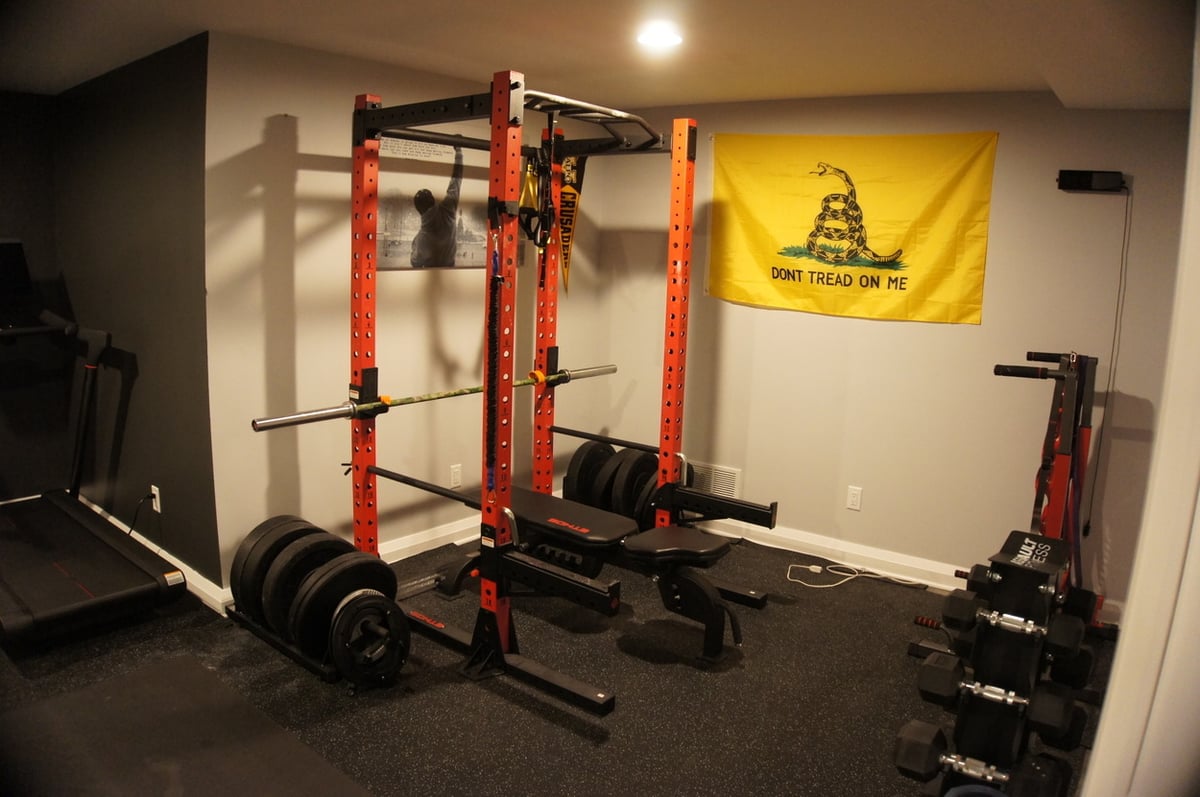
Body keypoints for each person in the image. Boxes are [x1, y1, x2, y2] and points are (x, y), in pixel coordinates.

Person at [410, 146, 463, 267]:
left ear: (419, 210)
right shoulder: (448, 209)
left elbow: (415, 262)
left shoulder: (421, 239)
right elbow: (456, 180)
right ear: (433, 200)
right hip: (451, 273)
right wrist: (459, 152)